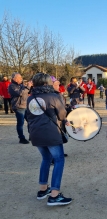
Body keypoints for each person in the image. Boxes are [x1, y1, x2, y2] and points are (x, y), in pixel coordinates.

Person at [26, 73, 72, 206]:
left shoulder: (30, 98)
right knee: (58, 160)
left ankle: (43, 190)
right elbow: (62, 115)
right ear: (46, 83)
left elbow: (28, 117)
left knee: (46, 159)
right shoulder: (53, 96)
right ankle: (54, 195)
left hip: (36, 133)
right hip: (51, 133)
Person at [8, 72, 32, 144]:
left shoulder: (21, 85)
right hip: (18, 107)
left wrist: (31, 86)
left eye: (21, 77)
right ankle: (21, 138)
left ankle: (32, 135)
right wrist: (27, 87)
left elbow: (27, 92)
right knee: (20, 123)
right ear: (14, 79)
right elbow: (19, 93)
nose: (21, 79)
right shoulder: (11, 86)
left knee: (30, 121)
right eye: (19, 78)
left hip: (26, 105)